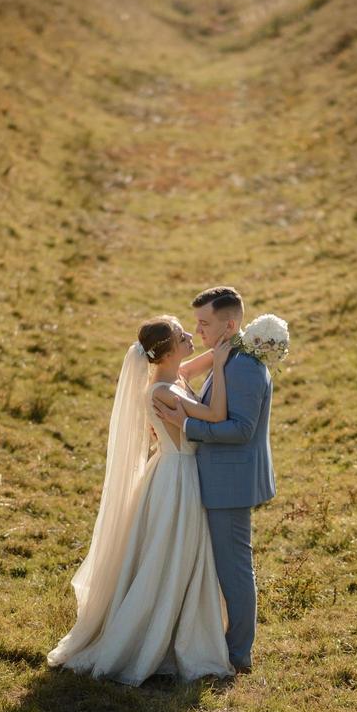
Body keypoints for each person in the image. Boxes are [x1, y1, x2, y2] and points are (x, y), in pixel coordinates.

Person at [46, 316, 237, 686]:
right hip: (177, 478)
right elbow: (216, 415)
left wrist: (234, 344)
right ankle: (154, 637)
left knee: (179, 554)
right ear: (166, 353)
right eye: (182, 335)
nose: (188, 336)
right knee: (172, 554)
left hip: (174, 472)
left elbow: (205, 359)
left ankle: (177, 627)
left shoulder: (174, 377)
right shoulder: (163, 391)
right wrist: (222, 367)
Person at [153, 286, 275, 674]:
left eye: (205, 323)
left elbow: (240, 430)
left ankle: (238, 655)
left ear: (230, 324)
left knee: (234, 568)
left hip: (230, 484)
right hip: (214, 477)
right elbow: (180, 372)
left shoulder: (244, 367)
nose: (198, 330)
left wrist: (186, 426)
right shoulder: (229, 356)